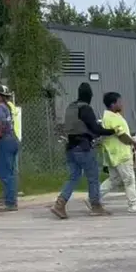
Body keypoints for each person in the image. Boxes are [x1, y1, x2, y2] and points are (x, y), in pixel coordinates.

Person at [51, 82, 115, 219]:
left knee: (73, 177)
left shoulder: (71, 107)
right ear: (90, 95)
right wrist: (112, 131)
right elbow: (95, 129)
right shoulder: (85, 108)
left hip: (70, 147)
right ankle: (96, 206)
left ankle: (59, 204)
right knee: (93, 177)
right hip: (83, 147)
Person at [96, 92, 136, 213]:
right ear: (112, 104)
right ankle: (133, 204)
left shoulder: (111, 116)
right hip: (120, 154)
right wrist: (134, 143)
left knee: (114, 179)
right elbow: (121, 135)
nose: (122, 104)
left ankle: (94, 197)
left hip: (113, 154)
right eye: (119, 102)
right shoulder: (112, 118)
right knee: (129, 178)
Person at [0, 87, 20, 212]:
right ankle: (10, 198)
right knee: (10, 172)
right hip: (12, 140)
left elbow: (1, 122)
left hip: (4, 142)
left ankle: (10, 203)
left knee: (5, 173)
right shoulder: (6, 107)